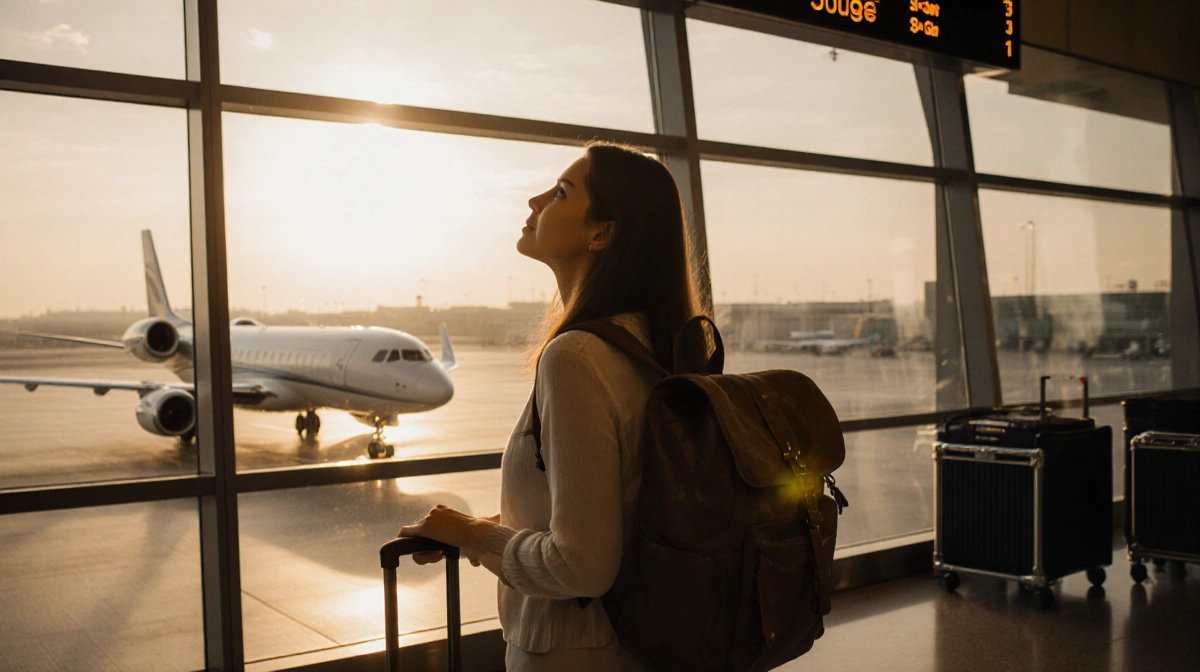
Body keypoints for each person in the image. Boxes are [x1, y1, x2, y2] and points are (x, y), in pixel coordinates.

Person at [398, 141, 703, 670]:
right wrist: (473, 534)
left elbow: (581, 567)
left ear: (601, 233)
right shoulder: (659, 344)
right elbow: (612, 509)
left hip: (574, 651)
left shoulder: (576, 357)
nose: (535, 200)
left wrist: (471, 534)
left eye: (561, 192)